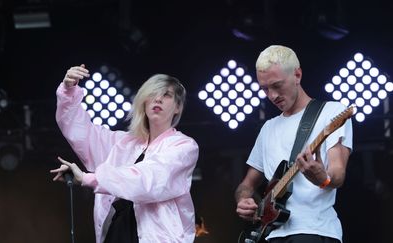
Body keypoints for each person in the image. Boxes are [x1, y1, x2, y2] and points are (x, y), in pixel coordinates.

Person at [50, 64, 199, 243]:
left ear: (178, 108)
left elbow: (148, 180)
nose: (158, 99)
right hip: (117, 232)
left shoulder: (183, 146)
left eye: (166, 95)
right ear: (144, 101)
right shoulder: (122, 143)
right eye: (152, 94)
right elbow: (80, 131)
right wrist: (68, 91)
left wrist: (88, 178)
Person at [235, 45, 353, 243]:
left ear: (297, 75)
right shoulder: (268, 128)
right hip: (270, 234)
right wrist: (243, 200)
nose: (272, 96)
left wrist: (322, 178)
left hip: (314, 231)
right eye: (265, 89)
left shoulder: (331, 112)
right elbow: (247, 184)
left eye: (277, 85)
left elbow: (338, 175)